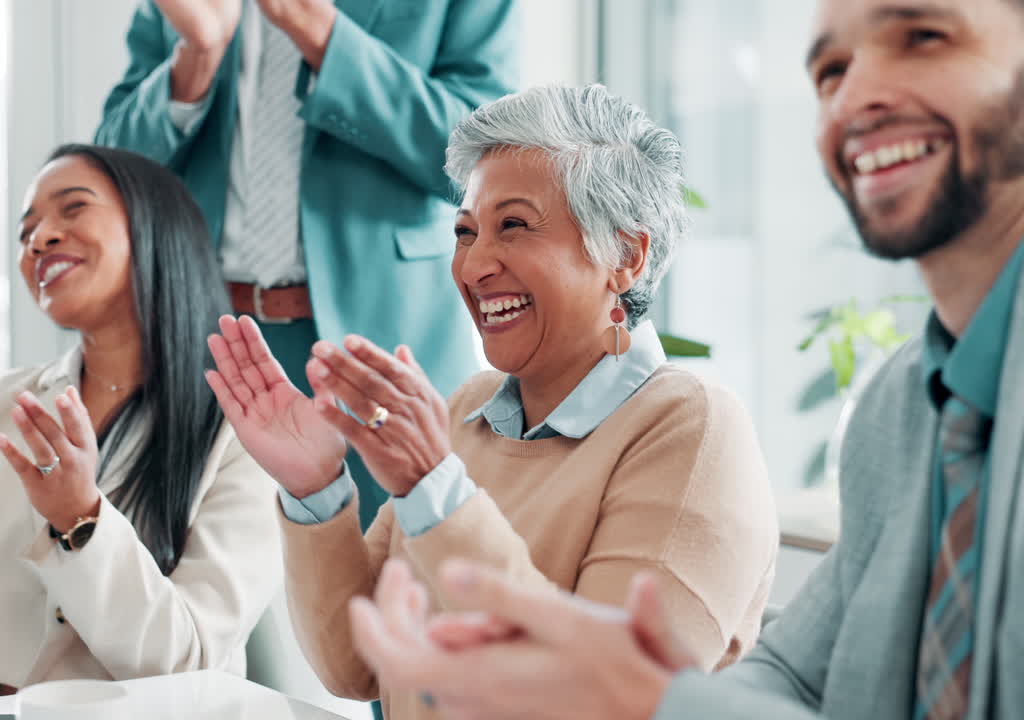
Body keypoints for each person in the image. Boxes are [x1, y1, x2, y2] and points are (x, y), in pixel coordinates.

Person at [346, 0, 1024, 718]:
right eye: (829, 72)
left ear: (626, 257)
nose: (853, 97)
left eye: (923, 36)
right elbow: (794, 677)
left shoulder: (690, 428)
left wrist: (649, 698)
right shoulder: (898, 414)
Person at [204, 85, 779, 719]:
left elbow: (603, 701)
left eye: (513, 226)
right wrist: (316, 488)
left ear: (625, 255)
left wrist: (435, 490)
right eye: (465, 231)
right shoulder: (468, 409)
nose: (474, 265)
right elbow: (356, 666)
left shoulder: (691, 428)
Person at [0, 144, 280, 691]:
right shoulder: (1, 405)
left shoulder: (245, 428)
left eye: (73, 208)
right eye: (26, 231)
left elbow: (185, 668)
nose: (40, 238)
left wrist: (81, 521)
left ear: (155, 227)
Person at [94, 0, 520, 530]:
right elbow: (109, 173)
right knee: (199, 590)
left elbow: (485, 156)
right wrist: (196, 58)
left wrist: (317, 29)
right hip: (206, 343)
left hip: (380, 339)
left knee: (394, 586)